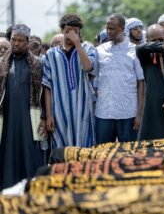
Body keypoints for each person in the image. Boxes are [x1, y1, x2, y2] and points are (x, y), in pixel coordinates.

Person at [0, 24, 45, 190]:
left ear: (27, 42)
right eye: (14, 40)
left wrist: (45, 116)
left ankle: (31, 189)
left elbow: (46, 93)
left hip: (30, 120)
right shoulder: (2, 64)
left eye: (20, 40)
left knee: (30, 153)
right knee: (7, 154)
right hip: (7, 119)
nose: (16, 43)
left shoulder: (39, 63)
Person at [42, 14, 97, 148]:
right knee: (61, 148)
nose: (71, 35)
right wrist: (49, 115)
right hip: (59, 111)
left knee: (84, 147)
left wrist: (78, 43)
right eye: (68, 32)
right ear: (62, 31)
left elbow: (88, 67)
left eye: (75, 32)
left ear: (79, 32)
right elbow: (47, 87)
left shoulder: (88, 49)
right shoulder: (51, 54)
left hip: (82, 109)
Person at [95, 14, 144, 144]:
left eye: (112, 29)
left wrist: (139, 114)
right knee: (102, 155)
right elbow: (92, 78)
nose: (109, 32)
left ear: (122, 29)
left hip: (128, 113)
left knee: (129, 156)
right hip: (104, 112)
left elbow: (141, 83)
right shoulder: (99, 50)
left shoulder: (135, 51)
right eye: (107, 28)